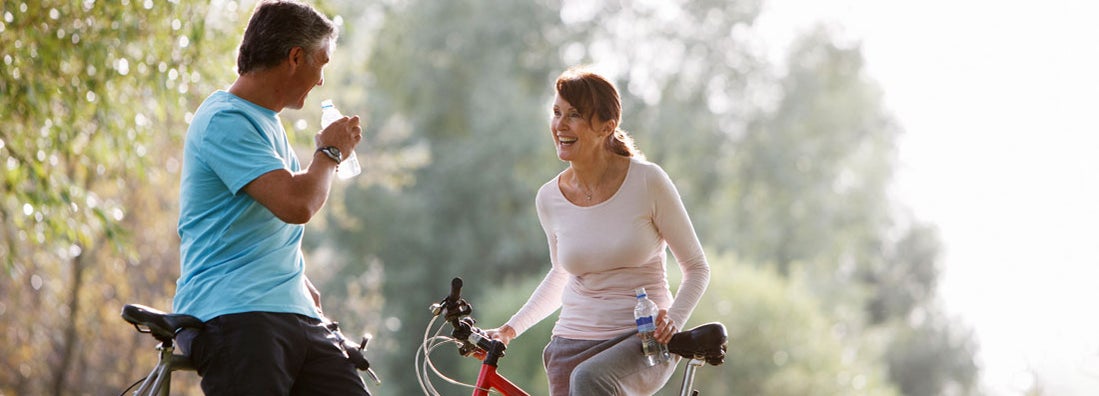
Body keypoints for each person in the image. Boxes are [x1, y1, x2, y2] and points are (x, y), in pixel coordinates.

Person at [171, 1, 369, 394]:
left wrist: (297, 279)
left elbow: (257, 226)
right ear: (296, 57)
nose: (321, 81)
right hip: (236, 312)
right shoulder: (224, 119)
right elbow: (297, 204)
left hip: (291, 314)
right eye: (322, 63)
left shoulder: (267, 123)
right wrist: (329, 153)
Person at [486, 67, 711, 395]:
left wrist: (673, 320)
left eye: (574, 115)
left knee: (589, 378)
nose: (560, 125)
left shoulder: (648, 182)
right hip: (570, 342)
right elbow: (560, 274)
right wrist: (509, 329)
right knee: (580, 376)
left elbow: (697, 268)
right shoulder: (549, 198)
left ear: (607, 127)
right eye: (557, 112)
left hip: (643, 340)